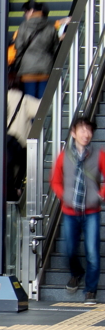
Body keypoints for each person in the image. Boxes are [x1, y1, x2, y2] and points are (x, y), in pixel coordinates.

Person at [51, 118, 105, 305]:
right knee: (69, 250)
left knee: (92, 252)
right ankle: (76, 273)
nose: (86, 134)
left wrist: (100, 195)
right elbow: (56, 181)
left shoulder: (98, 155)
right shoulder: (63, 156)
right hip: (70, 210)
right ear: (73, 133)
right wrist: (63, 196)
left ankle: (90, 290)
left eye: (89, 130)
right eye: (82, 130)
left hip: (92, 211)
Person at [12, 0, 69, 99]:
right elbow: (55, 47)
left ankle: (33, 115)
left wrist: (18, 64)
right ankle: (43, 114)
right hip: (45, 68)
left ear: (32, 11)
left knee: (29, 100)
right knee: (43, 100)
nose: (25, 14)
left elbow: (19, 47)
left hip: (28, 69)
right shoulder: (51, 27)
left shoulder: (23, 27)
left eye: (26, 12)